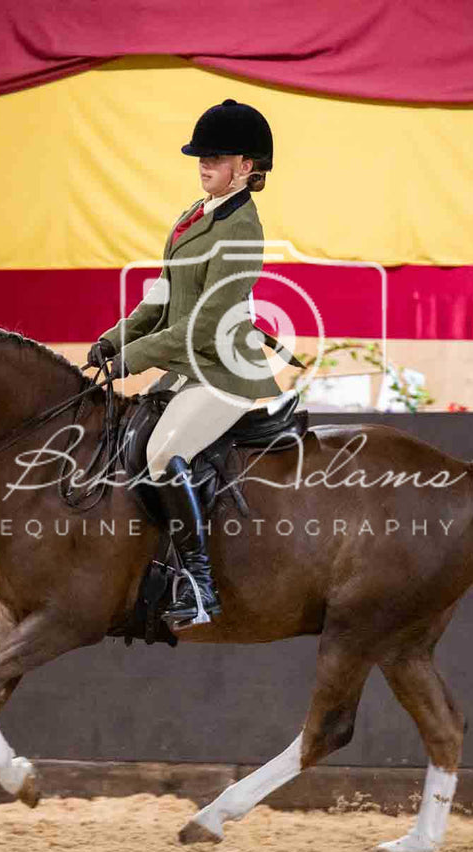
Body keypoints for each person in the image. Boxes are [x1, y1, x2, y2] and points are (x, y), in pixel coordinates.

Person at [86, 99, 296, 628]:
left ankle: (201, 587)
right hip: (186, 365)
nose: (203, 164)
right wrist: (114, 339)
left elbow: (206, 324)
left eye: (216, 156)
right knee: (129, 435)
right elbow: (162, 295)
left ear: (247, 167)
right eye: (200, 155)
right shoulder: (192, 216)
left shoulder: (243, 230)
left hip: (224, 371)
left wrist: (135, 358)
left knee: (162, 451)